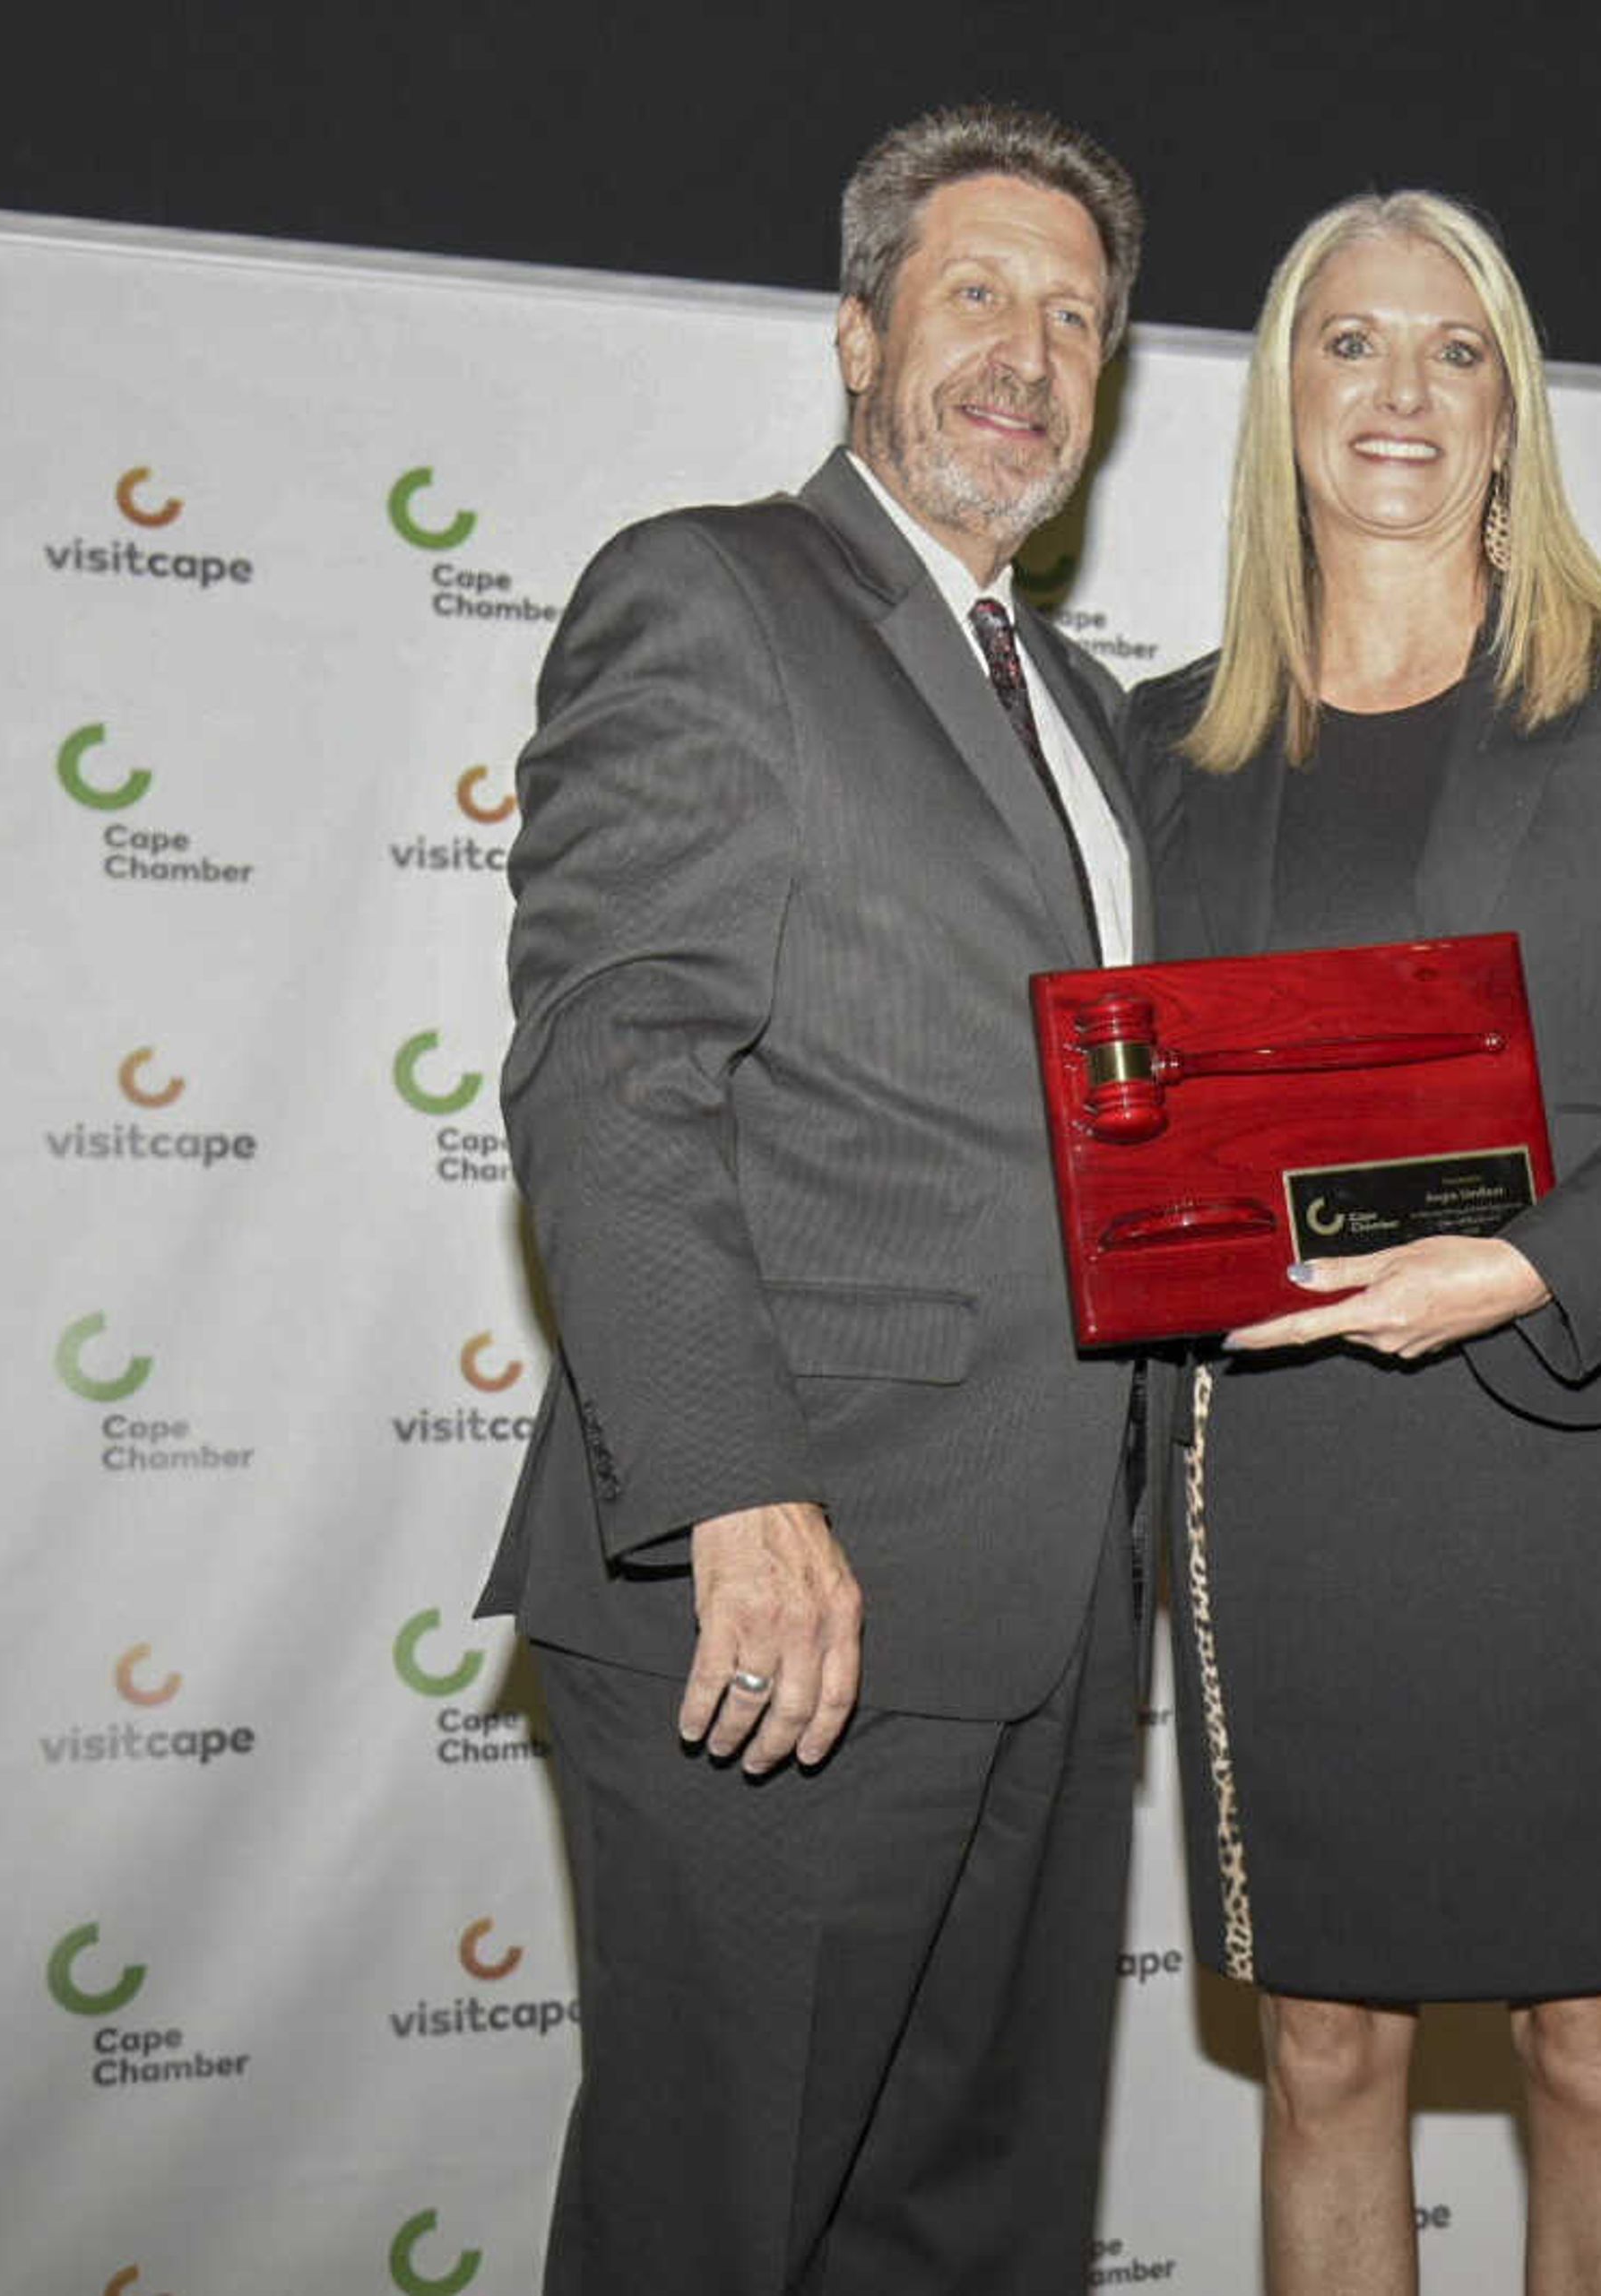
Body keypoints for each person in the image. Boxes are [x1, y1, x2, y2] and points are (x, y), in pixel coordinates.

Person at [1129, 190, 1601, 2296]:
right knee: (1325, 2050)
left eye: (1455, 351)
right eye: (1352, 344)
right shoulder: (1159, 741)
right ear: (1286, 397)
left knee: (1595, 2044)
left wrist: (1516, 1264)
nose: (1402, 392)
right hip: (1281, 1460)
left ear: (1511, 410)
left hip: (1566, 1436)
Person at [480, 103, 1157, 2294]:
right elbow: (615, 1064)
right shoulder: (712, 593)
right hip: (788, 1600)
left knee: (964, 2223)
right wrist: (733, 1491)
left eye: (1077, 319)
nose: (1028, 355)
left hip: (1051, 1604)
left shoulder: (1088, 709)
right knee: (721, 2223)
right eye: (978, 293)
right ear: (857, 334)